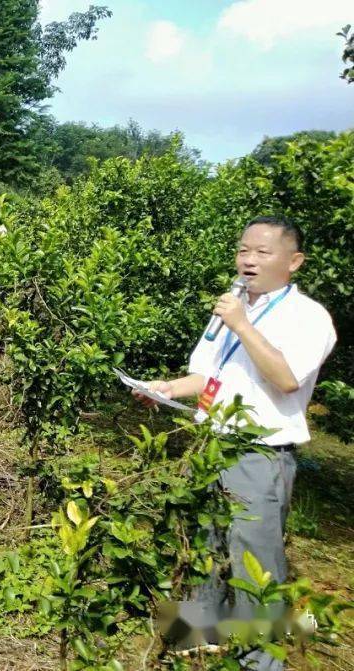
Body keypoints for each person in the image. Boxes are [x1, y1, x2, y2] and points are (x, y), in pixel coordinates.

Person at [133, 216, 335, 671]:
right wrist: (165, 387)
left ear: (294, 261)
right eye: (244, 250)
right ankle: (193, 643)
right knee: (202, 540)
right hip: (211, 441)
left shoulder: (308, 317)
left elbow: (285, 379)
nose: (248, 260)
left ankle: (260, 661)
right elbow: (208, 376)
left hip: (259, 453)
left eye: (262, 252)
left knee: (254, 559)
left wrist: (242, 323)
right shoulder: (232, 306)